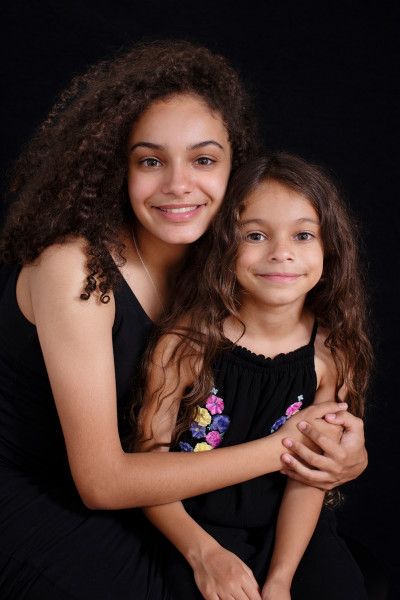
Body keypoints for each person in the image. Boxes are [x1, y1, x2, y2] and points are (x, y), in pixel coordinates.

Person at [0, 40, 367, 599]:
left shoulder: (232, 256)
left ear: (233, 167)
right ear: (116, 167)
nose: (178, 185)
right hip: (44, 492)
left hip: (169, 493)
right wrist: (285, 449)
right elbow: (101, 481)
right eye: (151, 161)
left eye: (203, 160)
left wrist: (343, 457)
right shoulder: (74, 268)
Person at [137, 153, 373, 600]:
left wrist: (281, 578)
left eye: (303, 235)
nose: (281, 252)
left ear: (330, 247)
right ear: (225, 245)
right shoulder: (185, 346)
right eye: (256, 235)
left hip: (290, 529)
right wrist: (205, 554)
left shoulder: (331, 356)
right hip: (189, 528)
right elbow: (147, 473)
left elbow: (310, 477)